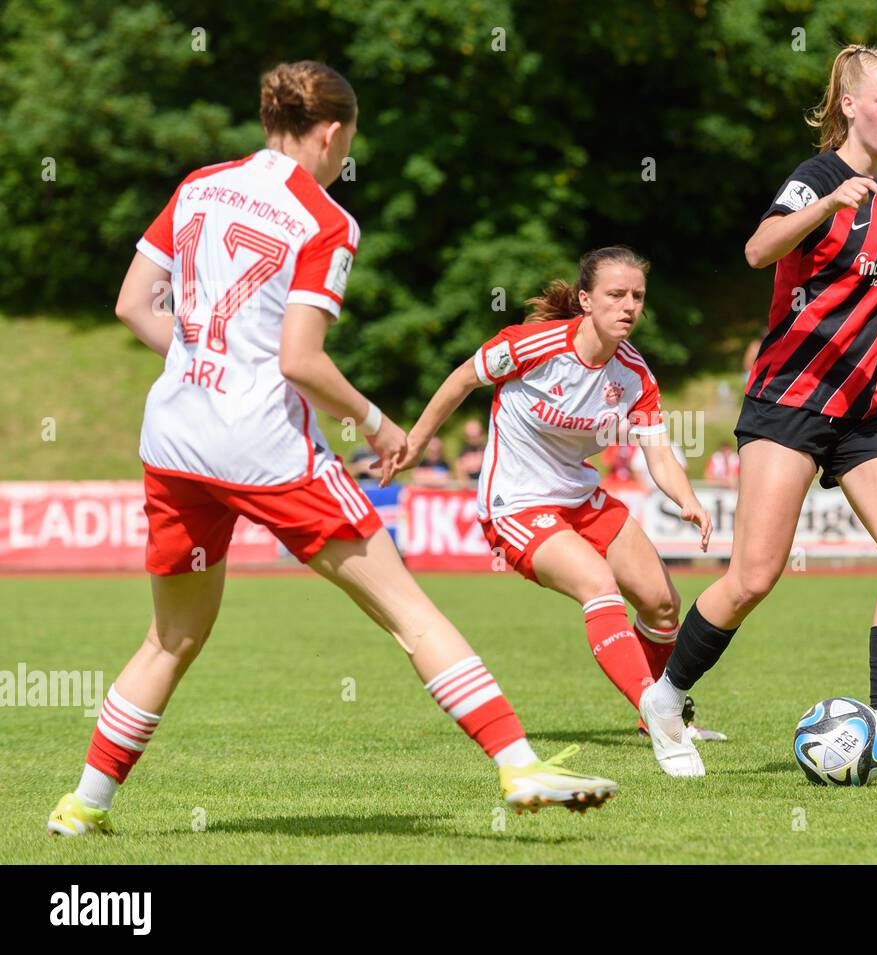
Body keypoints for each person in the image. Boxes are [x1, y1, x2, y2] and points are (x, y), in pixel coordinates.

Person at [46, 61, 616, 836]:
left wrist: (200, 368)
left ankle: (82, 807)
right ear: (334, 131)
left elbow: (131, 302)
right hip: (264, 450)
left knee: (171, 635)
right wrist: (379, 424)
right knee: (407, 609)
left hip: (175, 438)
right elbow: (300, 360)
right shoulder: (325, 220)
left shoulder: (199, 185)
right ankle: (518, 766)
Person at [637, 44, 877, 778]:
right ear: (849, 104)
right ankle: (666, 699)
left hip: (863, 409)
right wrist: (824, 203)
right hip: (789, 400)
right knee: (754, 575)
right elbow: (757, 250)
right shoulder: (816, 179)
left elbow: (858, 307)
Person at [382, 246, 725, 761]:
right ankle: (662, 718)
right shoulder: (532, 345)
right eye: (615, 295)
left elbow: (659, 452)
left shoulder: (634, 375)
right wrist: (414, 442)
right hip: (515, 504)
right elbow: (460, 380)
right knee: (597, 584)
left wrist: (688, 499)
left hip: (581, 498)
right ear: (585, 300)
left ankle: (649, 716)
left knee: (661, 602)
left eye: (637, 296)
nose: (629, 306)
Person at [455, 419, 486, 489]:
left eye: (475, 436)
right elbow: (461, 477)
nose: (473, 439)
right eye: (470, 436)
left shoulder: (488, 452)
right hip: (469, 493)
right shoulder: (462, 455)